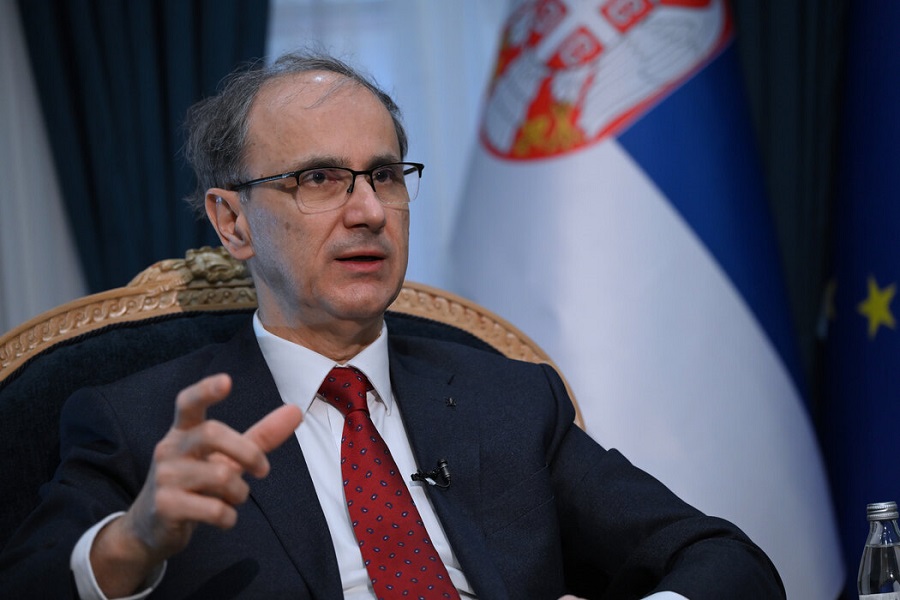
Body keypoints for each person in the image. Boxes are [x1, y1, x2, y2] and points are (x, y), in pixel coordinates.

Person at [0, 50, 785, 599]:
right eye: (319, 179)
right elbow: (31, 582)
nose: (370, 211)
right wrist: (131, 543)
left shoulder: (510, 401)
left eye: (384, 175)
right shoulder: (140, 422)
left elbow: (724, 562)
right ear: (232, 222)